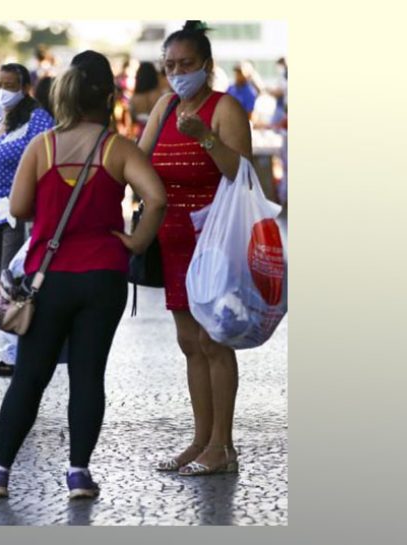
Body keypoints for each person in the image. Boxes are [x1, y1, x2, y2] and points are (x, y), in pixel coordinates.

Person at [0, 50, 167, 499]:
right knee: (88, 374)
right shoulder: (118, 148)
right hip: (104, 277)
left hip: (48, 278)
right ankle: (79, 474)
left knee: (30, 376)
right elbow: (155, 198)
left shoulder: (44, 146)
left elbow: (18, 209)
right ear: (108, 96)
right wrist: (135, 243)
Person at [141, 21, 276, 477]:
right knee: (187, 342)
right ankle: (200, 440)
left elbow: (241, 173)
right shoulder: (164, 105)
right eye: (171, 65)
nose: (178, 72)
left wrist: (203, 136)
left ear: (207, 66)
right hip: (173, 239)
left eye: (186, 64)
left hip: (216, 241)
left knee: (213, 339)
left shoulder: (225, 109)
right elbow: (140, 164)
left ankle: (223, 446)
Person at [0, 63, 55, 377]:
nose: (3, 90)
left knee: (14, 278)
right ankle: (6, 348)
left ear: (24, 86)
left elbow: (47, 157)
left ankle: (18, 350)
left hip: (17, 212)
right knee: (1, 280)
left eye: (10, 84)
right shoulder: (1, 119)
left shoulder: (37, 118)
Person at [127, 61, 164, 137]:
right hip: (159, 133)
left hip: (140, 134)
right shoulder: (161, 96)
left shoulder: (134, 99)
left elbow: (131, 119)